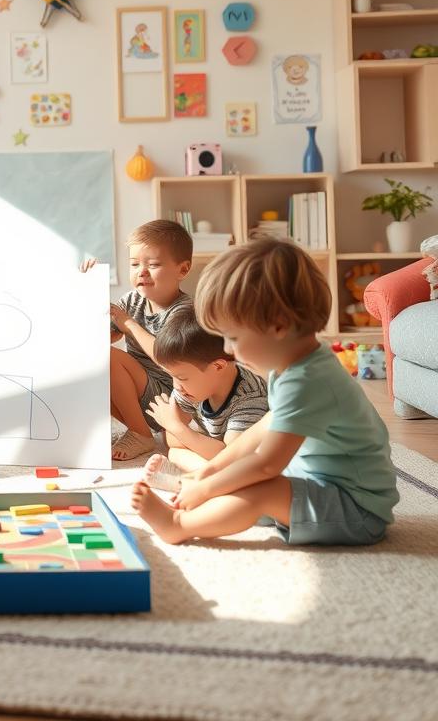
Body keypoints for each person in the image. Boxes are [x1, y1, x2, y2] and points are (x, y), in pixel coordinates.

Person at [131, 238, 398, 546]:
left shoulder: (308, 381)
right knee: (240, 480)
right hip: (318, 484)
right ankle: (199, 493)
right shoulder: (293, 366)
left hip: (356, 510)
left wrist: (206, 488)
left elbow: (267, 463)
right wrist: (209, 474)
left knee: (260, 487)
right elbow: (259, 432)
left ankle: (179, 524)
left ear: (278, 326)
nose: (228, 350)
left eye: (232, 337)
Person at [83, 220, 193, 461]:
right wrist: (87, 290)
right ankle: (135, 428)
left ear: (182, 270)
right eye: (134, 264)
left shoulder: (184, 310)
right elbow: (98, 340)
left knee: (110, 358)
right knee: (93, 360)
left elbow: (169, 358)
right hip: (140, 396)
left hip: (171, 400)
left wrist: (129, 324)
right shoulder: (132, 301)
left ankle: (140, 434)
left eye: (153, 265)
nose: (141, 271)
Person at [140, 302, 268, 492]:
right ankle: (201, 482)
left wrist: (173, 424)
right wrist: (178, 430)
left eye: (181, 377)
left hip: (250, 460)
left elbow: (231, 456)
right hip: (219, 457)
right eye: (172, 376)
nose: (176, 386)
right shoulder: (191, 386)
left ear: (217, 366)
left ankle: (192, 484)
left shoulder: (249, 398)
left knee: (236, 473)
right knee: (176, 452)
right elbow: (173, 442)